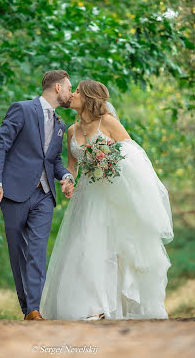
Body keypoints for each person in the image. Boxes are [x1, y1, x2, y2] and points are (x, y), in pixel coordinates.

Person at [40, 79, 174, 321]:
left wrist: (108, 161)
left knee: (111, 249)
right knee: (84, 245)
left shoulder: (109, 123)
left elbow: (134, 155)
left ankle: (116, 306)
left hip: (111, 195)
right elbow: (72, 166)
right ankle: (92, 307)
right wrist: (68, 181)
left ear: (88, 97)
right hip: (86, 196)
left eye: (77, 91)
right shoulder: (71, 130)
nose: (73, 95)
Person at [0, 70, 75, 321]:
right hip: (14, 192)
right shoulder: (22, 109)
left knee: (37, 250)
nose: (71, 92)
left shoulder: (61, 124)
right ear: (57, 87)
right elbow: (0, 145)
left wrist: (66, 177)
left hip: (45, 195)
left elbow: (54, 160)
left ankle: (34, 310)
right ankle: (27, 308)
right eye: (69, 87)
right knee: (17, 250)